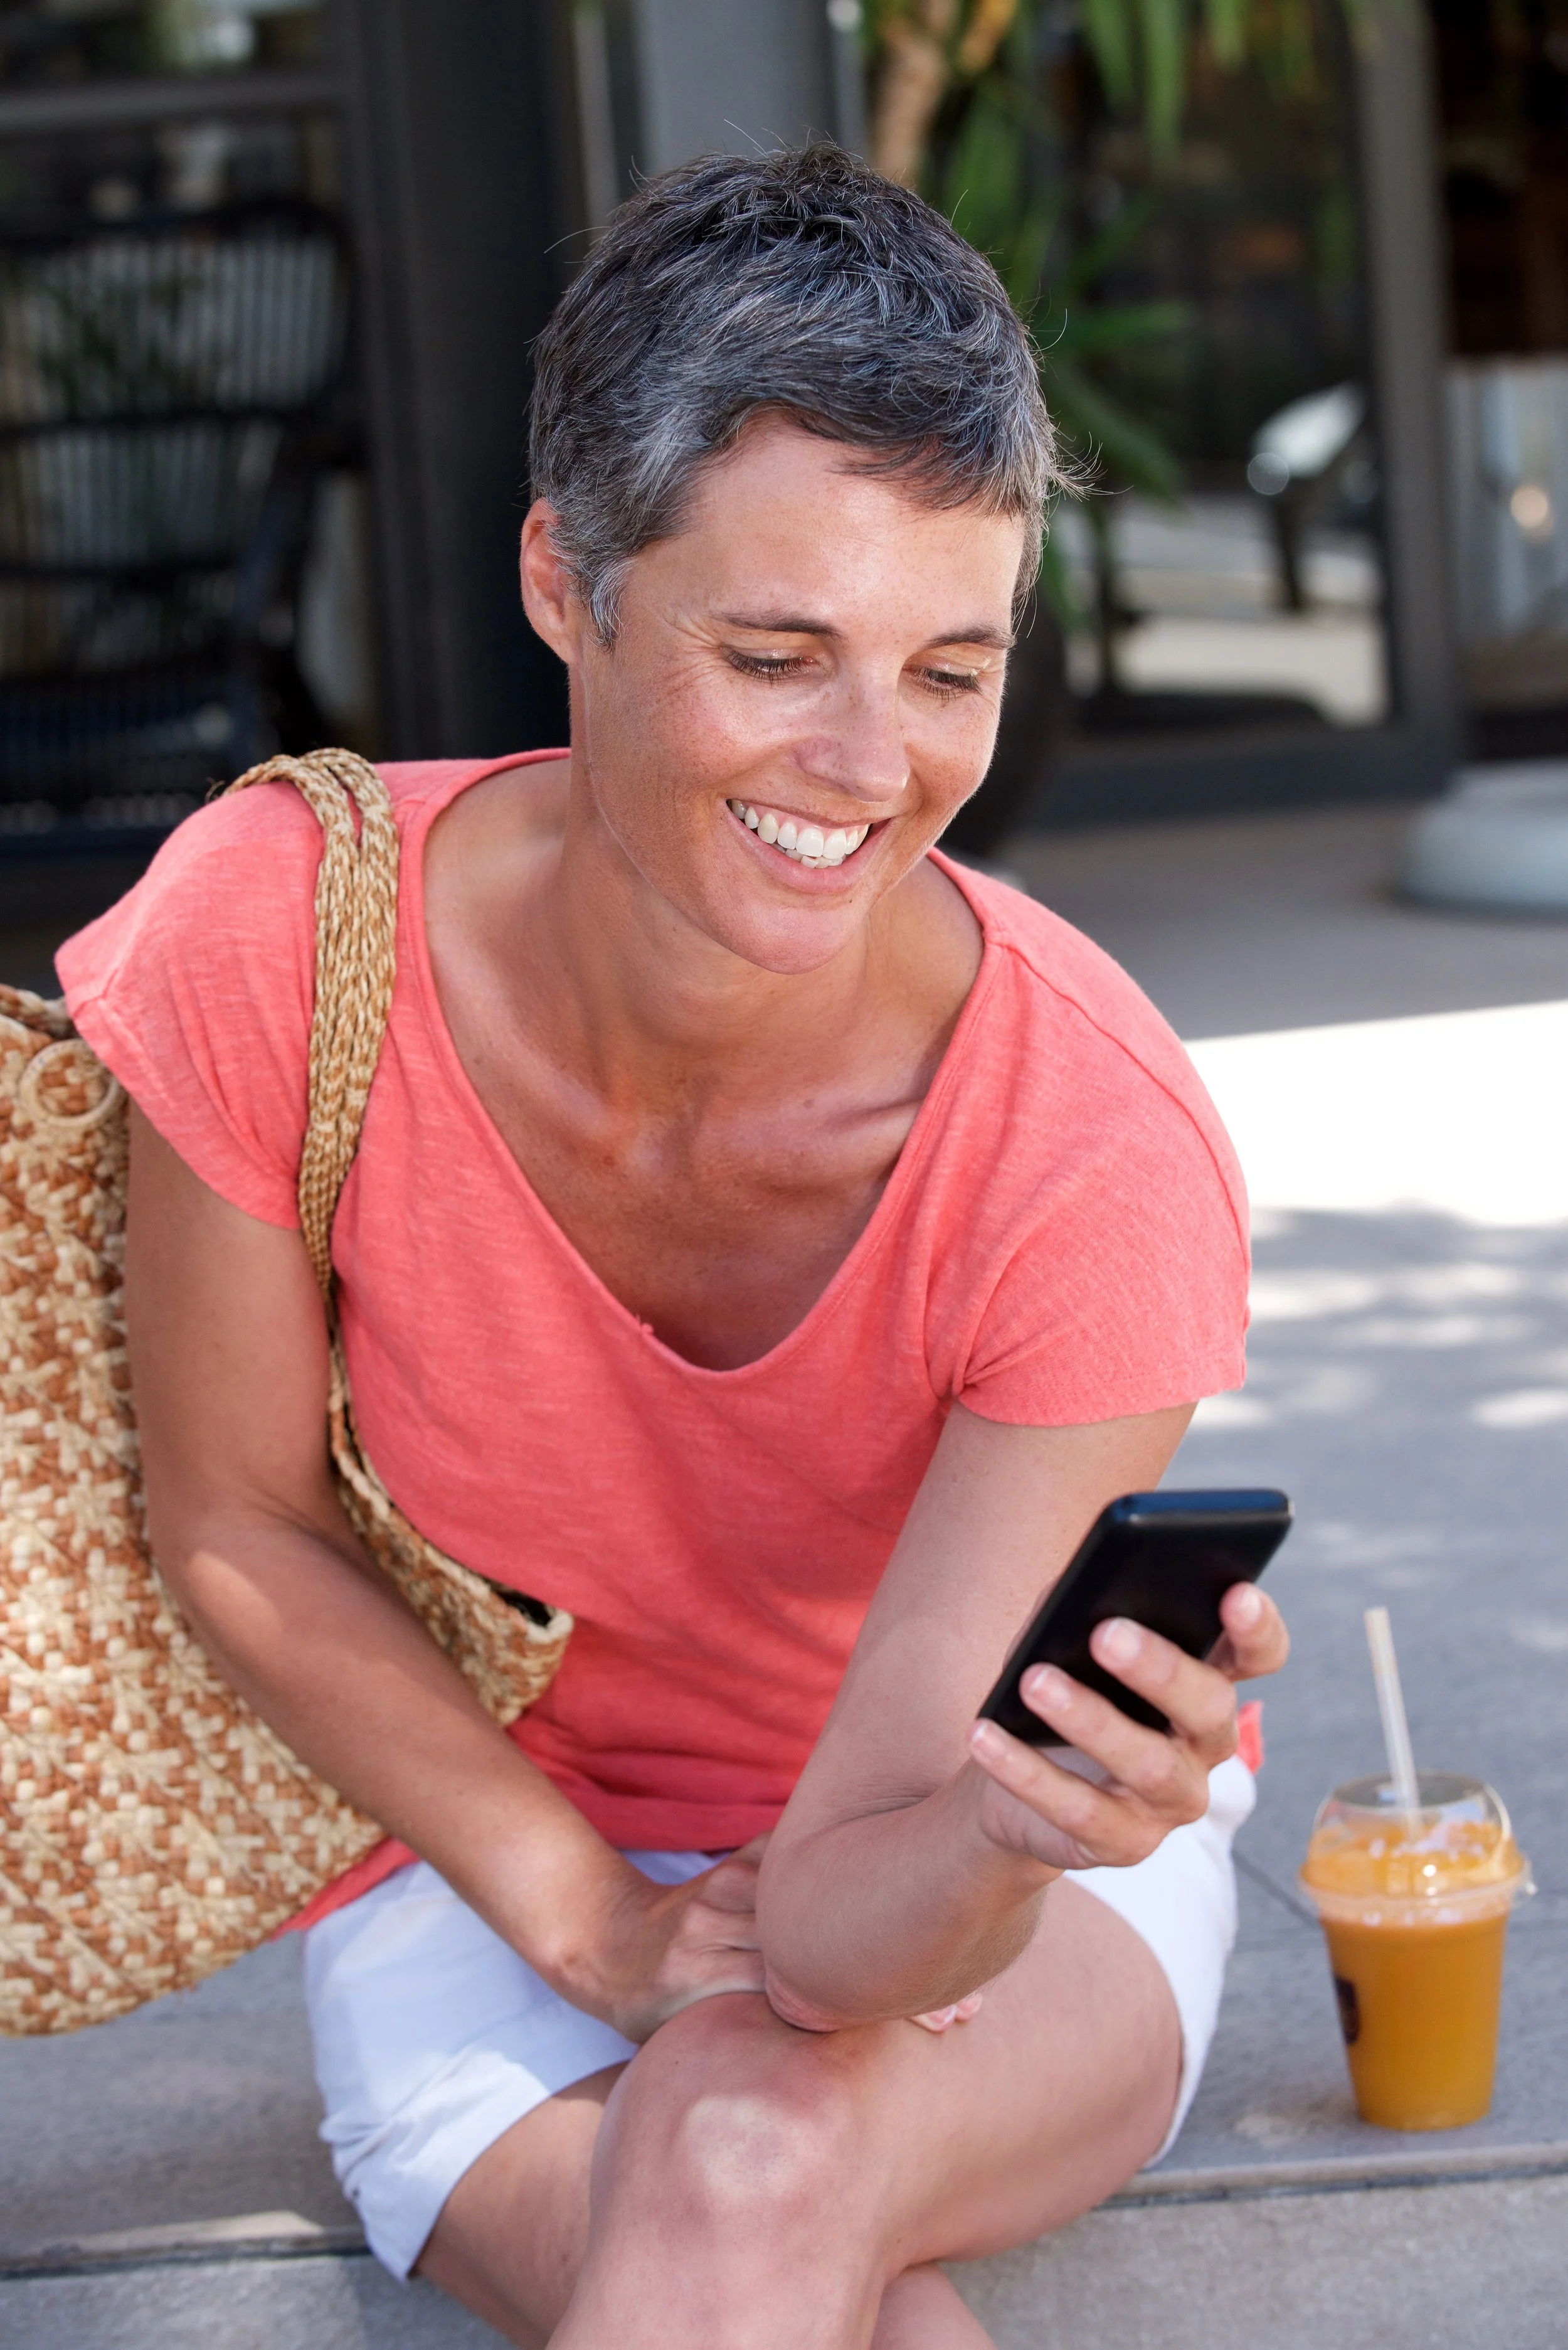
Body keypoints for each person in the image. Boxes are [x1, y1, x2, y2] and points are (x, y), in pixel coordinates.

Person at [59, 147, 1288, 2349]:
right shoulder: (275, 938)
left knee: (746, 2132)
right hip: (471, 1830)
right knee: (837, 2284)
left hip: (981, 1887)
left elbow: (833, 1946)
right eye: (775, 650)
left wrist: (1030, 1823)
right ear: (564, 576)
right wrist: (574, 1913)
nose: (867, 764)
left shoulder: (1086, 1154)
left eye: (947, 669)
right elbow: (232, 1519)